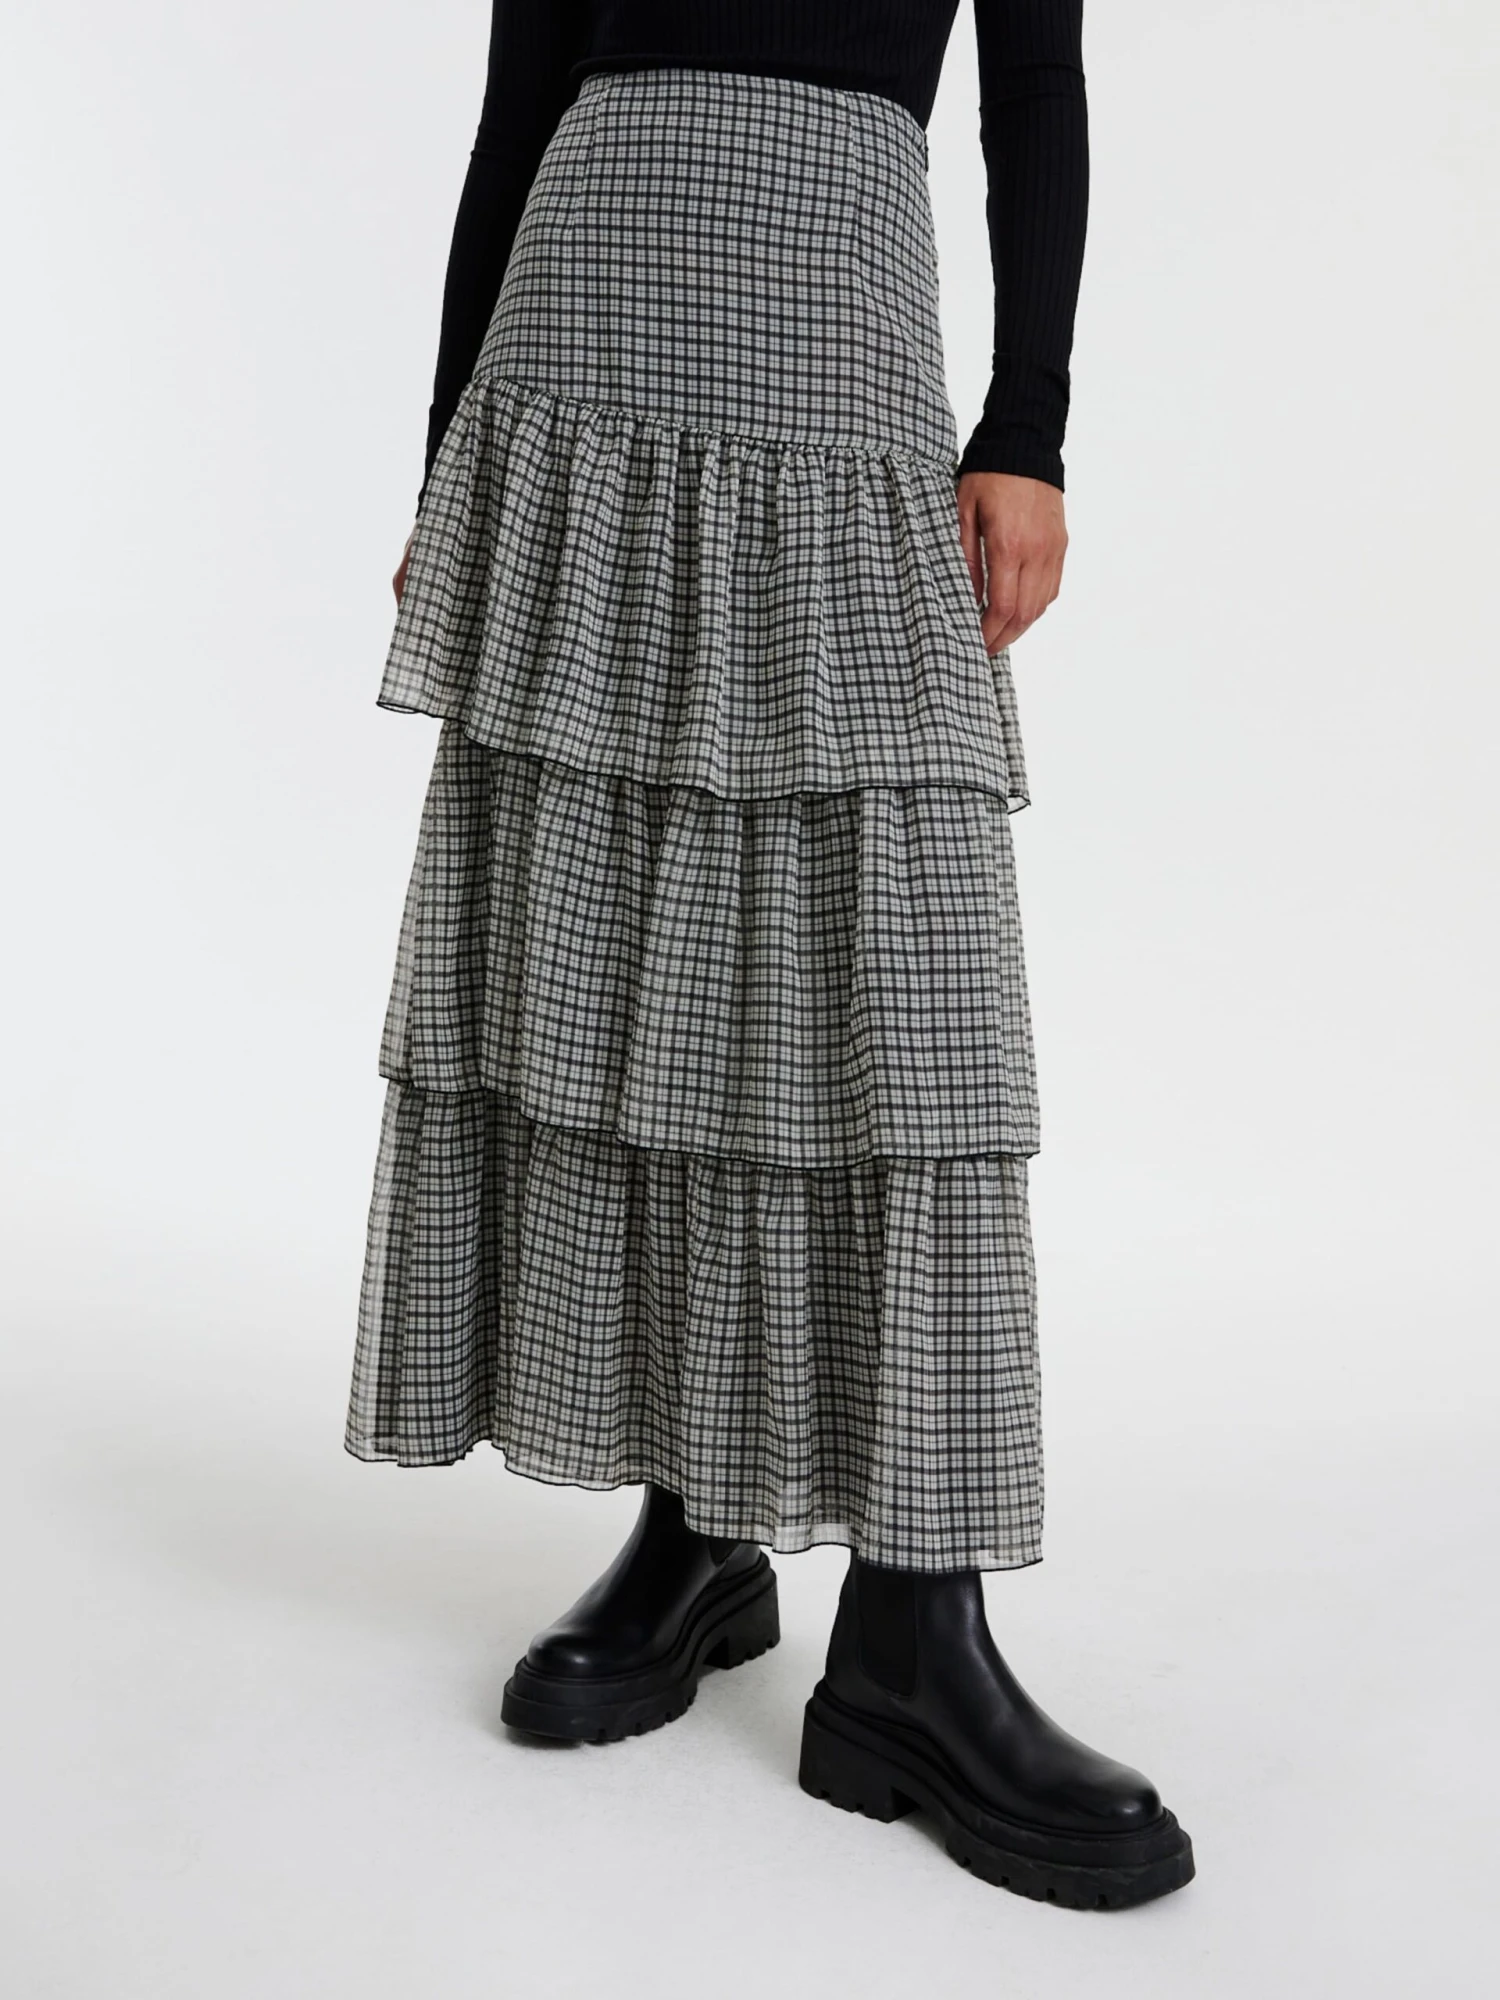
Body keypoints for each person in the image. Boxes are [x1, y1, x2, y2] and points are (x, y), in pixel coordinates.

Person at [348, 1, 1195, 1909]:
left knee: (899, 983)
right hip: (581, 339)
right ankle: (698, 1524)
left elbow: (1036, 79)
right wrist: (447, 459)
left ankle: (912, 1624)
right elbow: (519, 102)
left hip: (841, 318)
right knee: (629, 944)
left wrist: (1028, 424)